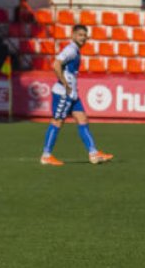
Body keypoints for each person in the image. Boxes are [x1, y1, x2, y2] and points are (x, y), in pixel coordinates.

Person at [39, 25, 113, 167]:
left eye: (85, 35)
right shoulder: (71, 50)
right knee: (57, 122)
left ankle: (93, 153)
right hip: (63, 94)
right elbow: (56, 64)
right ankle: (46, 156)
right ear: (73, 35)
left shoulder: (76, 51)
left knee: (82, 118)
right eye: (80, 34)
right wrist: (65, 83)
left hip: (72, 95)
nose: (83, 37)